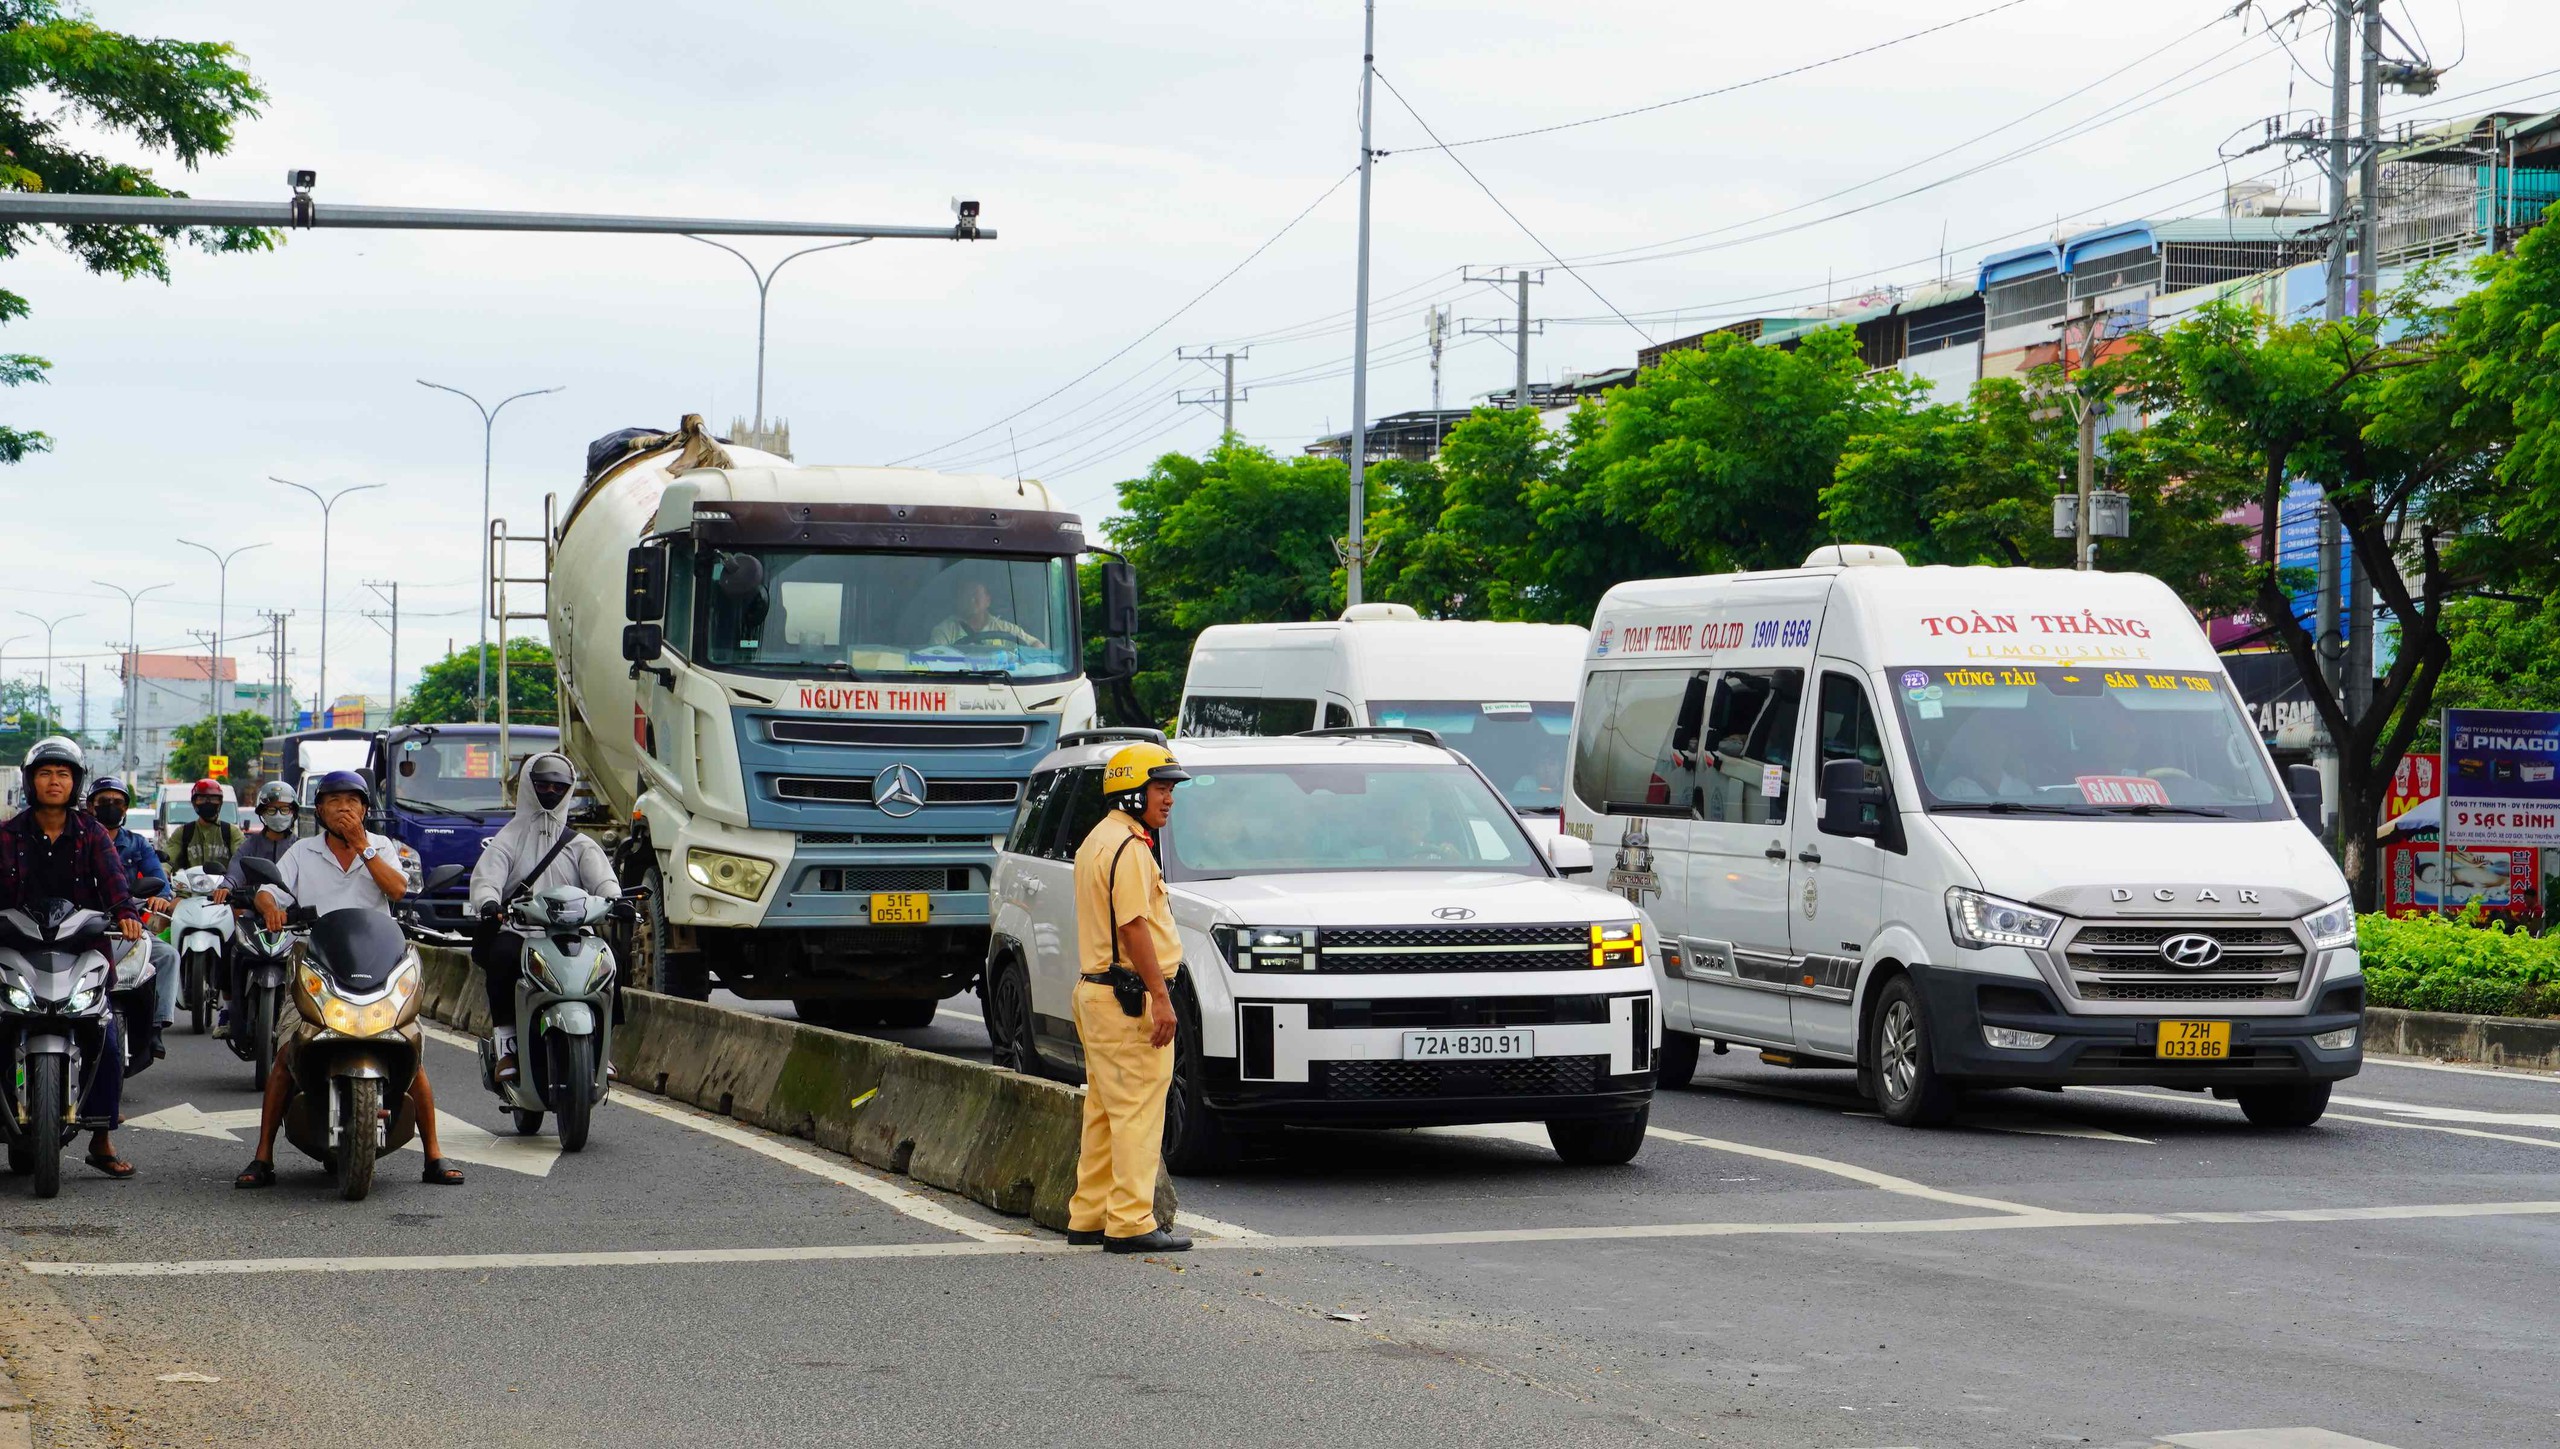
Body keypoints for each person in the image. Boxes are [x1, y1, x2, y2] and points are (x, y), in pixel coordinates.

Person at [235, 770, 464, 1189]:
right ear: (319, 810)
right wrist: (268, 905)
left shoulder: (382, 847)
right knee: (288, 1053)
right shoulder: (303, 852)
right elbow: (272, 890)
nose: (344, 808)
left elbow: (397, 890)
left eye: (352, 801)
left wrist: (362, 847)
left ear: (365, 809)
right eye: (334, 801)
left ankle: (433, 1154)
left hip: (379, 966)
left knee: (411, 1050)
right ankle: (262, 1156)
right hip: (316, 966)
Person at [1065, 741, 1193, 1255]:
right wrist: (1162, 999)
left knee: (1104, 1109)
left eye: (1169, 790)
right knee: (1139, 1108)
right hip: (1128, 999)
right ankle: (1131, 1221)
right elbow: (1135, 927)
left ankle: (1090, 1213)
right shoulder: (1130, 849)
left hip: (1096, 994)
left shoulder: (1098, 840)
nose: (1168, 799)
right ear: (1133, 793)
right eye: (1161, 789)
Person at [0, 738, 144, 1179]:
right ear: (30, 781)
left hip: (81, 946)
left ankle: (101, 1138)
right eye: (45, 773)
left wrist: (125, 914)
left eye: (63, 774)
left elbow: (115, 881)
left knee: (106, 1028)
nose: (54, 781)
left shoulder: (92, 833)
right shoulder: (7, 834)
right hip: (15, 944)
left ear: (75, 782)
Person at [468, 752, 617, 1084]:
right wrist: (489, 902)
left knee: (608, 960)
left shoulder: (581, 844)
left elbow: (604, 882)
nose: (550, 791)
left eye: (558, 786)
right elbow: (487, 880)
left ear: (569, 789)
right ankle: (507, 1045)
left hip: (574, 931)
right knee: (502, 957)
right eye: (543, 784)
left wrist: (615, 900)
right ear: (527, 787)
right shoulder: (508, 838)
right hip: (521, 931)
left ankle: (604, 1047)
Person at [85, 776, 179, 1060]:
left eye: (117, 803)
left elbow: (159, 881)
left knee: (167, 956)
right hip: (83, 926)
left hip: (128, 925)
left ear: (125, 809)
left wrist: (160, 895)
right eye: (104, 802)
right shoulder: (81, 838)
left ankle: (154, 1026)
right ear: (90, 806)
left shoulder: (138, 844)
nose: (111, 808)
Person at [212, 781, 301, 1039]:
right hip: (253, 917)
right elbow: (236, 869)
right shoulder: (250, 845)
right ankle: (228, 1010)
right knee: (229, 949)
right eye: (272, 810)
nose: (278, 815)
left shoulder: (300, 847)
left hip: (291, 921)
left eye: (284, 809)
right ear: (262, 813)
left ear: (294, 812)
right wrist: (227, 887)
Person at [924, 578, 1042, 648]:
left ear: (988, 600)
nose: (971, 600)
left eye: (976, 595)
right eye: (967, 596)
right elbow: (932, 658)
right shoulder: (946, 630)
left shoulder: (1004, 628)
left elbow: (1036, 645)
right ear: (959, 601)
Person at [166, 777, 243, 876]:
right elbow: (168, 858)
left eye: (213, 799)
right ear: (194, 803)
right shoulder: (183, 832)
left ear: (220, 803)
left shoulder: (231, 832)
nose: (208, 803)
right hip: (189, 889)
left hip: (224, 888)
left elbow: (241, 858)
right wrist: (164, 872)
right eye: (201, 799)